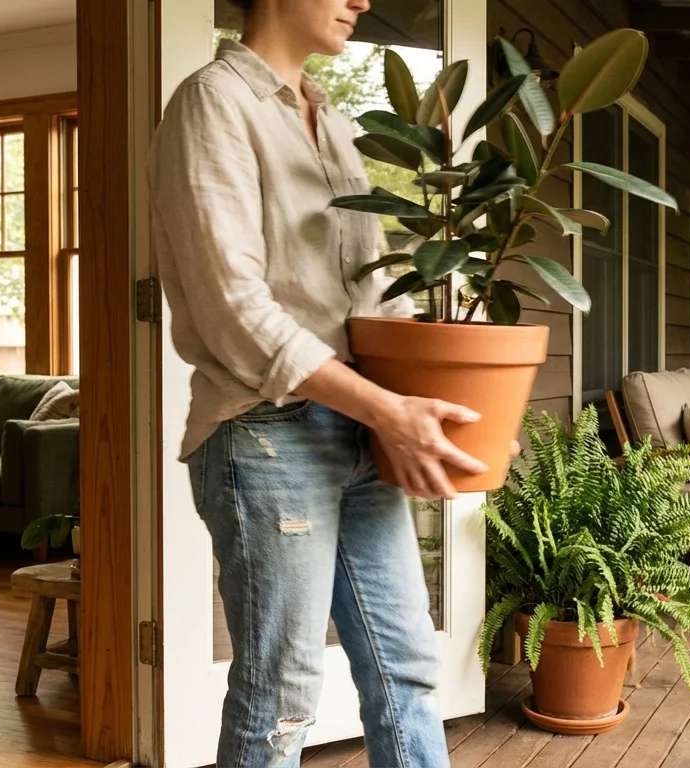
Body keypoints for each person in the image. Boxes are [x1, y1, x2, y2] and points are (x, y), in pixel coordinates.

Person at [148, 1, 491, 765]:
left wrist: (424, 368)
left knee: (406, 669)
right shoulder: (213, 103)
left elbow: (372, 287)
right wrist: (387, 408)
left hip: (362, 426)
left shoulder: (329, 119)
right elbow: (233, 309)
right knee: (282, 693)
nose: (362, 0)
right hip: (267, 432)